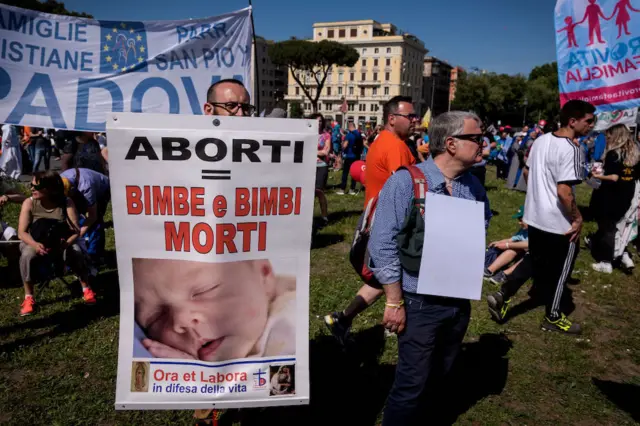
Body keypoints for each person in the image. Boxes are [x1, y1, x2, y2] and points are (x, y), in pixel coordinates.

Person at [369, 111, 490, 426]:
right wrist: (394, 301)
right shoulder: (406, 181)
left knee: (440, 378)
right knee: (411, 385)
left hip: (457, 302)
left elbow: (480, 229)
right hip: (418, 302)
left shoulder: (475, 186)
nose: (483, 144)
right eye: (475, 138)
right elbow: (381, 244)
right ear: (451, 144)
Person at [323, 96, 417, 344]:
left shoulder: (382, 140)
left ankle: (342, 319)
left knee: (381, 279)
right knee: (396, 278)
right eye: (411, 116)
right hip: (390, 223)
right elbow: (404, 189)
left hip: (374, 218)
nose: (416, 121)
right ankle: (397, 324)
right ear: (392, 119)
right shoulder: (396, 147)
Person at [519, 99, 595, 335]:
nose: (591, 126)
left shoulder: (541, 140)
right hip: (558, 222)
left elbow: (525, 171)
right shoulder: (572, 148)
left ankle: (505, 293)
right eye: (589, 121)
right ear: (573, 121)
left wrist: (536, 198)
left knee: (537, 262)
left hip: (536, 216)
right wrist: (578, 218)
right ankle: (552, 316)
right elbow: (564, 191)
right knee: (563, 269)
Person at [133, 258, 296, 361]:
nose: (181, 319)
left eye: (204, 290)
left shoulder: (293, 313)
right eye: (155, 317)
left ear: (263, 275)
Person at [17, 171, 95, 316]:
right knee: (27, 255)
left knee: (76, 250)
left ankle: (86, 287)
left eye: (36, 186)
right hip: (35, 241)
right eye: (31, 185)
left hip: (61, 241)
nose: (32, 189)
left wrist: (65, 245)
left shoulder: (66, 202)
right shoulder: (29, 203)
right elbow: (22, 232)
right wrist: (35, 245)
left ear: (50, 188)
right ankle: (29, 296)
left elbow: (75, 231)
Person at [587, 124, 640, 273]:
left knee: (608, 227)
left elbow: (614, 177)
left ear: (615, 135)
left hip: (612, 194)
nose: (607, 137)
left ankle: (606, 262)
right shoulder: (634, 152)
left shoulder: (614, 154)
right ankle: (622, 254)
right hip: (628, 192)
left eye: (609, 134)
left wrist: (597, 175)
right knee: (620, 225)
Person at [60, 168, 111, 260]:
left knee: (96, 222)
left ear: (72, 189)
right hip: (80, 184)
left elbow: (92, 216)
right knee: (78, 217)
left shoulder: (86, 187)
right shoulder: (60, 180)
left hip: (102, 189)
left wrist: (78, 234)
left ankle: (95, 254)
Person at [483, 205, 529, 285]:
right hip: (522, 252)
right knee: (512, 250)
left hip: (533, 256)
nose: (519, 222)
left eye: (521, 220)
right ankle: (489, 271)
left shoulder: (537, 231)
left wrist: (507, 245)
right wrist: (499, 242)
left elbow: (529, 245)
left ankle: (504, 275)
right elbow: (512, 239)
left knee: (527, 257)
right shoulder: (523, 230)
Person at [309, 113, 330, 226]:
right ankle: (308, 217)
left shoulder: (326, 135)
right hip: (308, 166)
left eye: (321, 121)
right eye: (317, 121)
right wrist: (318, 152)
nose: (319, 123)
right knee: (308, 193)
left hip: (321, 166)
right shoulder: (307, 134)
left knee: (319, 192)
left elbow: (325, 152)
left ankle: (324, 216)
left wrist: (311, 152)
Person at [337, 122, 360, 195]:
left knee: (345, 173)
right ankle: (352, 189)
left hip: (349, 156)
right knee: (354, 173)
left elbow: (345, 145)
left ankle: (342, 189)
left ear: (350, 126)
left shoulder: (349, 135)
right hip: (356, 156)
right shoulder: (358, 134)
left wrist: (342, 145)